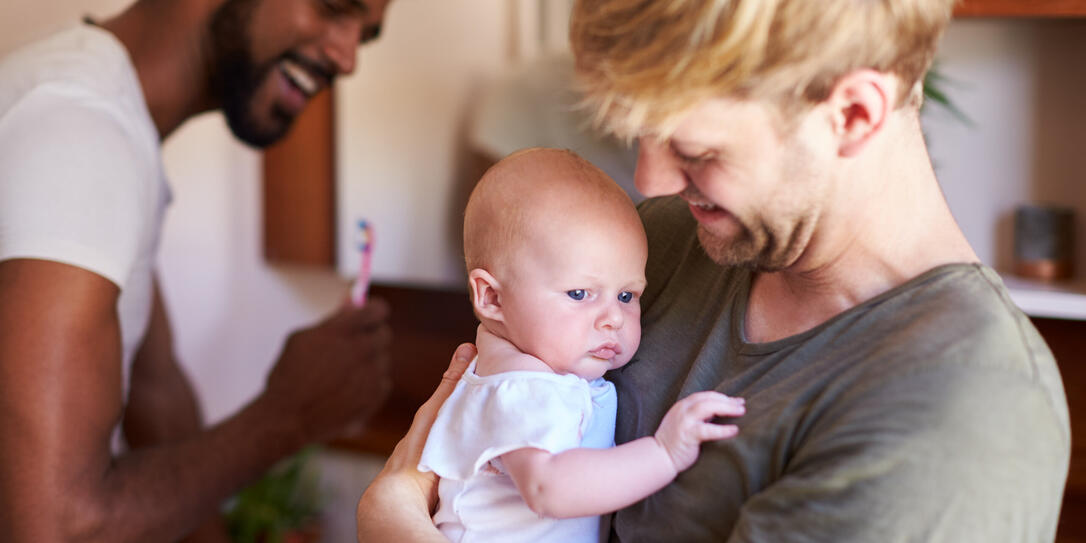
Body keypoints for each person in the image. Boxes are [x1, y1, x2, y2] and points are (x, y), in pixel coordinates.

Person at [357, 0, 1071, 541]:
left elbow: (404, 498)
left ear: (852, 113)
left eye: (695, 149)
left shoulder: (963, 412)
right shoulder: (660, 248)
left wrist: (389, 519)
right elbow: (460, 445)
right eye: (639, 132)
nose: (650, 177)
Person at [0, 0, 393, 541]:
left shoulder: (103, 123)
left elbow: (157, 402)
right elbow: (53, 527)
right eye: (332, 8)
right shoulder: (82, 128)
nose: (348, 58)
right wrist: (287, 416)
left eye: (364, 36)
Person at [417, 148, 746, 542]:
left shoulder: (535, 374)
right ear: (492, 299)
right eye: (579, 293)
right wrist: (663, 453)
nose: (613, 318)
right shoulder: (520, 388)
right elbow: (547, 489)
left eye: (627, 296)